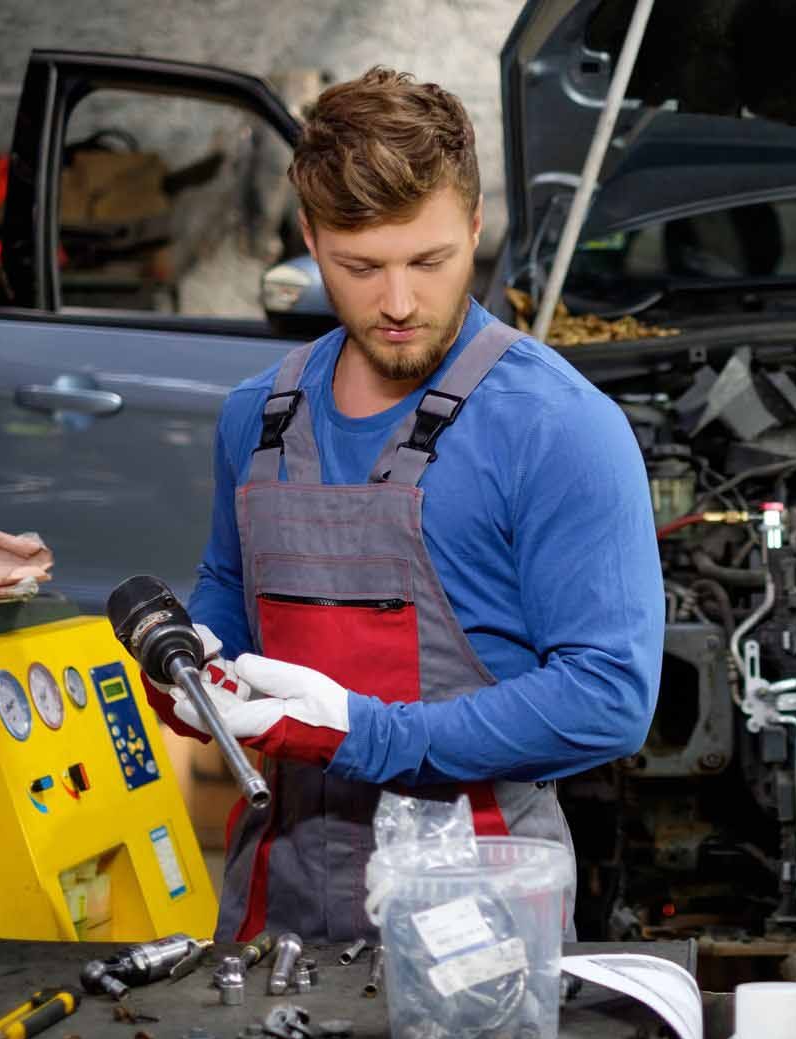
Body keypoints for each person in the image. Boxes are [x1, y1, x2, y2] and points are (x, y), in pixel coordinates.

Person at [142, 67, 663, 943]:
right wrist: (194, 664)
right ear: (310, 237)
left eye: (429, 261)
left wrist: (364, 733)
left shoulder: (556, 425)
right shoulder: (257, 417)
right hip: (279, 904)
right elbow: (230, 586)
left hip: (481, 922)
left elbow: (609, 695)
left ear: (476, 223)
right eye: (360, 267)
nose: (397, 303)